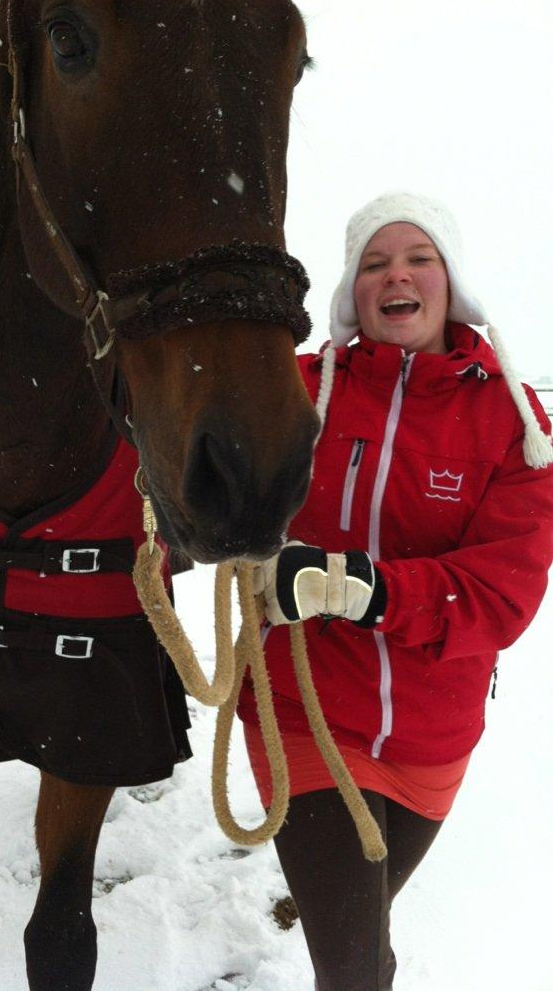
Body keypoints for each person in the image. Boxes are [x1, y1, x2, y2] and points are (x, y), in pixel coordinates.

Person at [237, 191, 553, 991]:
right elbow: (199, 474)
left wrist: (357, 590)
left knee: (358, 930)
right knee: (352, 967)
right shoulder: (294, 392)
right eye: (374, 263)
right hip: (304, 712)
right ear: (353, 291)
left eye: (418, 258)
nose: (396, 275)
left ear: (450, 281)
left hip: (433, 735)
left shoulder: (514, 422)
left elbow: (500, 595)